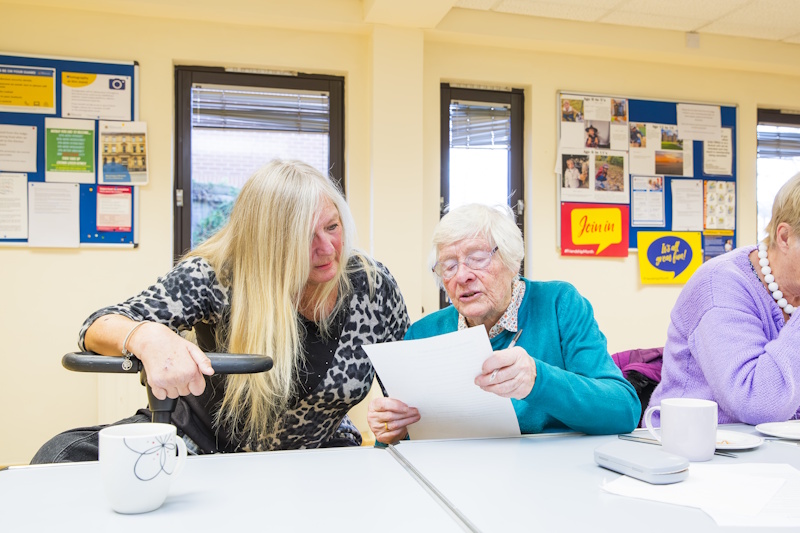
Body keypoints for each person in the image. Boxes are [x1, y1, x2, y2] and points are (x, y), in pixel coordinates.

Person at [32, 159, 410, 462]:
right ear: (268, 243)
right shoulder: (219, 274)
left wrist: (399, 420)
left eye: (332, 226)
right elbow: (95, 328)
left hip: (315, 457)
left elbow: (406, 385)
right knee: (57, 456)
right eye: (305, 237)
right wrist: (147, 336)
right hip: (202, 448)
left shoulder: (372, 285)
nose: (328, 248)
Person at [367, 203, 640, 444]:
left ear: (512, 261)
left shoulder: (559, 304)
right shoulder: (423, 334)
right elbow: (404, 442)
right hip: (455, 478)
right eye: (448, 266)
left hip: (549, 476)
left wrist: (539, 380)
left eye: (477, 258)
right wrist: (392, 430)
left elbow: (624, 410)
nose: (462, 275)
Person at [647, 172, 800, 425]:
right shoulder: (720, 285)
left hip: (771, 455)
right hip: (693, 450)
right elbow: (758, 404)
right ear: (785, 237)